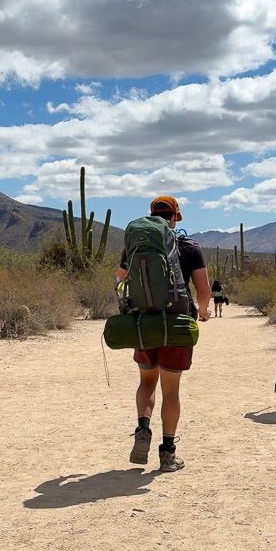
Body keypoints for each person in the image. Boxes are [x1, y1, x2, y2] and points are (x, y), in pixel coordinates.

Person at [118, 196, 211, 472]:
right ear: (176, 217)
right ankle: (168, 453)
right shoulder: (190, 247)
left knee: (147, 382)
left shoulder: (134, 247)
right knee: (171, 390)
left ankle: (143, 430)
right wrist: (203, 311)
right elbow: (204, 290)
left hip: (143, 324)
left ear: (151, 217)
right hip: (177, 324)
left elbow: (121, 281)